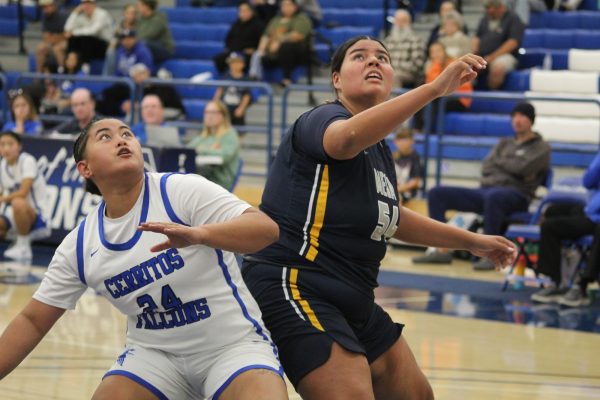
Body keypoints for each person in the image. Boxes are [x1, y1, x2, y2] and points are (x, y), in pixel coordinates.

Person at [241, 36, 516, 399]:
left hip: (354, 291)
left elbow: (393, 217)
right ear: (336, 80)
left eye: (382, 58)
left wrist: (473, 241)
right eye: (360, 57)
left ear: (390, 78)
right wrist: (433, 89)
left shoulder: (380, 150)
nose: (374, 61)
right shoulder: (323, 118)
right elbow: (344, 140)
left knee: (417, 394)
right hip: (294, 280)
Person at [0, 118, 288, 400]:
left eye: (127, 133)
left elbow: (266, 230)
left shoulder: (179, 190)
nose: (122, 139)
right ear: (85, 168)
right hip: (154, 357)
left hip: (231, 346)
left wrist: (200, 234)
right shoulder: (79, 245)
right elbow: (32, 321)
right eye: (105, 136)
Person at [413, 102, 550, 270]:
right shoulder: (505, 143)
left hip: (517, 196)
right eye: (514, 116)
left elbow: (523, 168)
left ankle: (491, 254)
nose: (517, 120)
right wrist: (512, 168)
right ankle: (441, 250)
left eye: (522, 116)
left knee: (494, 197)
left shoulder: (542, 147)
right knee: (437, 193)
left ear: (531, 120)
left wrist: (502, 165)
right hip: (486, 191)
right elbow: (487, 166)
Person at [531, 153, 600, 307]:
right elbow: (588, 181)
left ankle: (582, 286)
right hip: (592, 213)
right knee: (551, 217)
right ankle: (556, 283)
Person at [0, 131, 51, 262]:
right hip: (15, 214)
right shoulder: (2, 165)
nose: (6, 148)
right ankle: (17, 242)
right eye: (2, 144)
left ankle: (23, 247)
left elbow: (23, 192)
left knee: (18, 202)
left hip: (38, 217)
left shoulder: (27, 160)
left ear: (19, 146)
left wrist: (3, 199)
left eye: (10, 144)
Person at [254, 0, 313, 86]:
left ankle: (286, 78)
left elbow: (298, 35)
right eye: (283, 5)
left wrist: (279, 42)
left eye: (288, 5)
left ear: (295, 6)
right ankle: (257, 80)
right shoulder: (276, 20)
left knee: (286, 47)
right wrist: (261, 48)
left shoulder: (302, 18)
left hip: (299, 52)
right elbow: (266, 35)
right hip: (276, 51)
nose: (286, 8)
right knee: (259, 54)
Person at [187, 100, 241, 190]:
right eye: (206, 112)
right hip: (204, 178)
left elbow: (224, 156)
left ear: (223, 116)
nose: (209, 116)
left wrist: (202, 149)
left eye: (213, 112)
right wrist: (210, 149)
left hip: (220, 182)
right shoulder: (204, 136)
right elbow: (188, 150)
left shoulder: (230, 134)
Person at [472, 0, 525, 90]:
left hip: (504, 55)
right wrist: (474, 52)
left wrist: (492, 57)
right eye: (487, 8)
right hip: (482, 55)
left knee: (498, 69)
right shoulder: (485, 18)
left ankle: (491, 99)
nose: (488, 11)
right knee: (464, 64)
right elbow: (476, 37)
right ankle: (463, 97)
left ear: (500, 8)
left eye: (491, 9)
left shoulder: (513, 18)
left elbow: (513, 42)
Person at [213, 2, 265, 76]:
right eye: (241, 11)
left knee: (245, 60)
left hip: (247, 53)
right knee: (219, 59)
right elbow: (228, 39)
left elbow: (262, 41)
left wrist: (254, 49)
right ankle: (225, 77)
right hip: (234, 51)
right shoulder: (236, 24)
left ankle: (243, 80)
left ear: (251, 12)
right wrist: (228, 48)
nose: (242, 13)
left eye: (245, 10)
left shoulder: (258, 25)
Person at [383, 9, 425, 89]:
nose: (400, 24)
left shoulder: (416, 40)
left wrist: (394, 68)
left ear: (409, 23)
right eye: (398, 20)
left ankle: (395, 101)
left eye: (403, 21)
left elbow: (417, 64)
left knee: (395, 76)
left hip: (409, 75)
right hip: (391, 71)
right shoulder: (388, 41)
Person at [425, 42, 472, 112]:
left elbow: (438, 84)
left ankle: (431, 123)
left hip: (460, 99)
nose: (436, 54)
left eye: (438, 51)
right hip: (445, 96)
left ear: (444, 52)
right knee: (422, 101)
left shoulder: (452, 64)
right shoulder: (431, 66)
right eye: (433, 52)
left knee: (435, 102)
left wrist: (436, 63)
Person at [64, 0, 114, 64]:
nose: (87, 6)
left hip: (106, 45)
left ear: (94, 4)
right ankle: (70, 63)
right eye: (84, 4)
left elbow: (93, 31)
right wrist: (75, 13)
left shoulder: (102, 14)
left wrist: (73, 33)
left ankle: (85, 65)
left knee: (85, 39)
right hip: (91, 45)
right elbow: (67, 28)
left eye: (89, 3)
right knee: (72, 39)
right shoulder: (82, 15)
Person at [214, 52, 253, 126]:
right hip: (224, 108)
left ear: (243, 64)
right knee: (222, 127)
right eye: (232, 63)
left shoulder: (245, 79)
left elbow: (246, 96)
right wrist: (215, 102)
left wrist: (241, 108)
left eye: (237, 62)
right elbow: (220, 90)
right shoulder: (225, 76)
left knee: (238, 130)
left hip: (237, 109)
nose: (234, 65)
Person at [136, 0, 175, 64]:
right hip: (148, 46)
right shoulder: (141, 19)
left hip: (164, 48)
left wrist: (134, 40)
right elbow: (136, 33)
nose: (137, 9)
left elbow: (149, 35)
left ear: (147, 6)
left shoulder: (159, 18)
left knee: (143, 44)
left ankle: (148, 69)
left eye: (139, 6)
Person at [35, 0, 68, 73]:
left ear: (53, 6)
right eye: (43, 7)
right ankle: (38, 75)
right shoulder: (44, 18)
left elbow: (67, 35)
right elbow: (46, 38)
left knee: (57, 48)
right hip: (52, 43)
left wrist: (55, 37)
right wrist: (57, 37)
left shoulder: (63, 16)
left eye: (47, 6)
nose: (45, 9)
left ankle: (62, 73)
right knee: (40, 47)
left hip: (66, 43)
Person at [393, 127, 422, 203]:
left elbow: (415, 181)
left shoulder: (415, 157)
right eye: (399, 140)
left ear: (412, 141)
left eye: (405, 139)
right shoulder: (391, 156)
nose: (402, 143)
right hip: (394, 192)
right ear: (395, 142)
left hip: (408, 194)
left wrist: (398, 189)